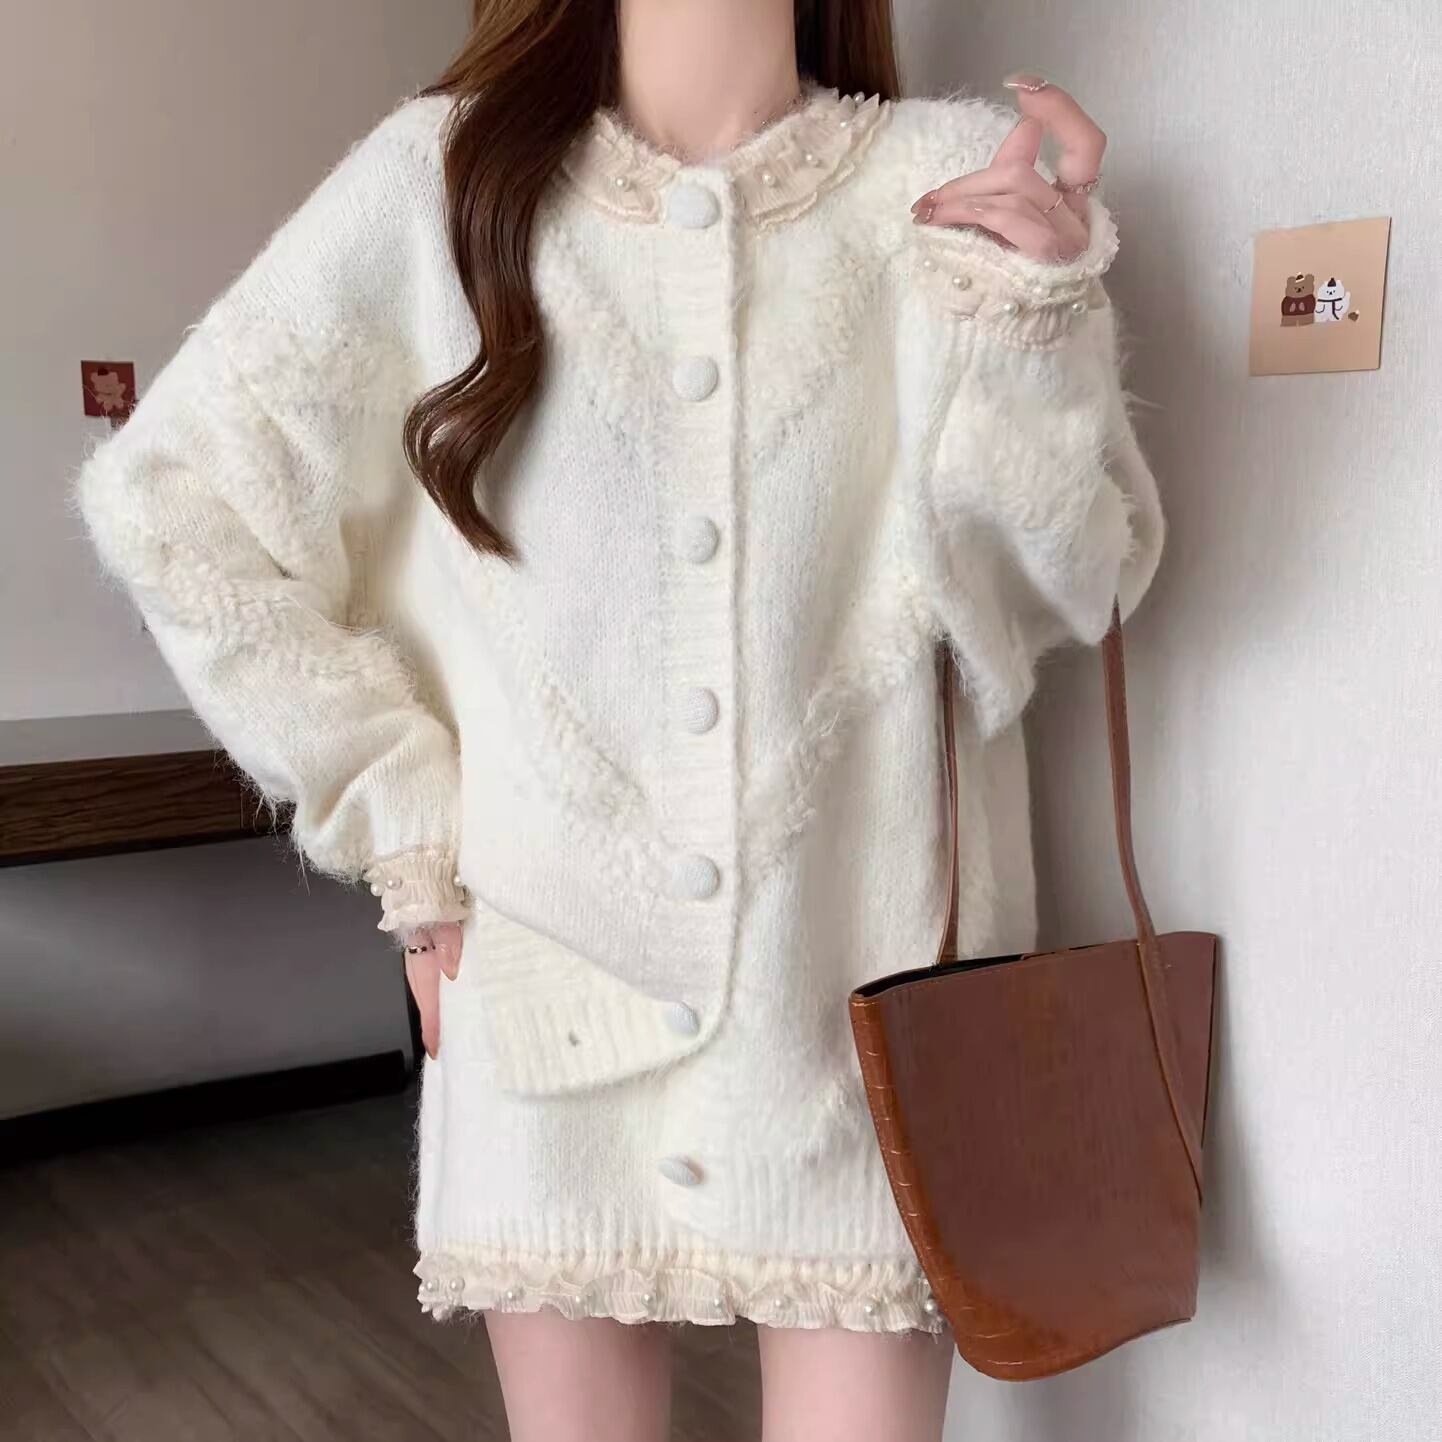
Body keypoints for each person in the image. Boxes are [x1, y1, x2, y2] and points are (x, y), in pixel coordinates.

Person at [76, 1, 1161, 1436]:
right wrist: (409, 836)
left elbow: (1066, 589)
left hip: (861, 1005)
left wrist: (1029, 321)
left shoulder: (950, 178)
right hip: (544, 993)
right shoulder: (443, 182)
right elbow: (175, 506)